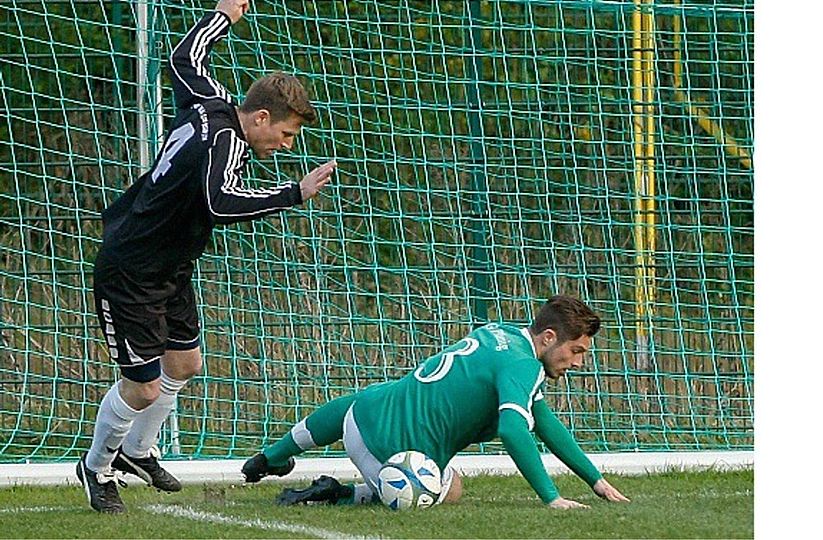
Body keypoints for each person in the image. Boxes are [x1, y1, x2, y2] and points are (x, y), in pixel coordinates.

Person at [76, 0, 338, 513]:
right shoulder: (224, 141)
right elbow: (221, 202)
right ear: (260, 117)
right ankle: (96, 467)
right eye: (284, 135)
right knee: (144, 388)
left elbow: (183, 59)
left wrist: (222, 16)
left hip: (171, 266)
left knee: (186, 362)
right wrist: (292, 194)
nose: (285, 146)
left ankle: (137, 451)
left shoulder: (211, 100)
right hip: (131, 270)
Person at [243, 295, 631, 509]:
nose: (578, 363)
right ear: (548, 338)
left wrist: (594, 481)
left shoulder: (500, 333)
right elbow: (515, 429)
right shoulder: (523, 366)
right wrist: (552, 498)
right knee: (451, 486)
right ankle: (343, 494)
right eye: (576, 350)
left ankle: (270, 457)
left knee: (372, 398)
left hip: (360, 417)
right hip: (393, 461)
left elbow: (542, 421)